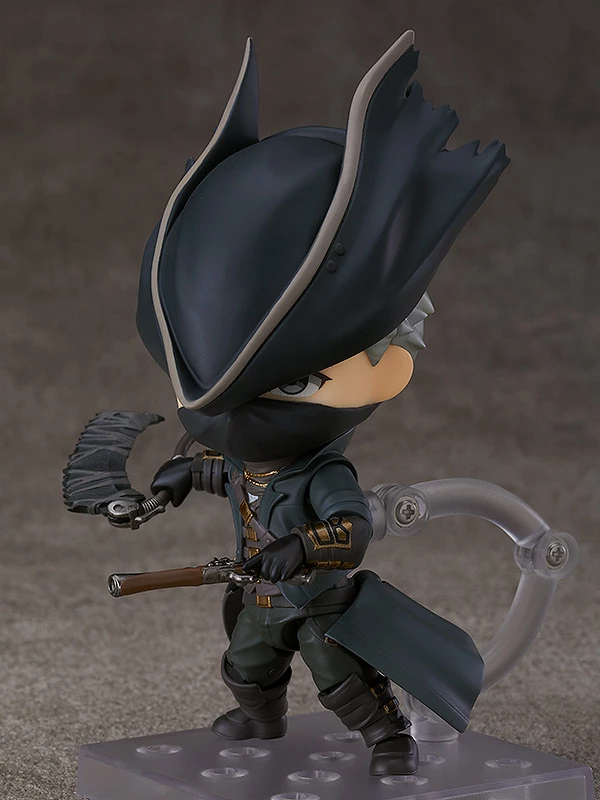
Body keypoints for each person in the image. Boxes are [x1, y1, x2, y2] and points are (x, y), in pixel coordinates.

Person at [136, 31, 510, 776]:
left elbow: (350, 528)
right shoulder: (248, 456)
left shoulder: (321, 472)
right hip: (261, 596)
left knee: (339, 674)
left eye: (292, 381)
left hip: (317, 599)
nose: (235, 418)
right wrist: (184, 476)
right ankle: (261, 715)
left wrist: (303, 547)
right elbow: (231, 475)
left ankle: (389, 737)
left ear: (388, 359)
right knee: (246, 663)